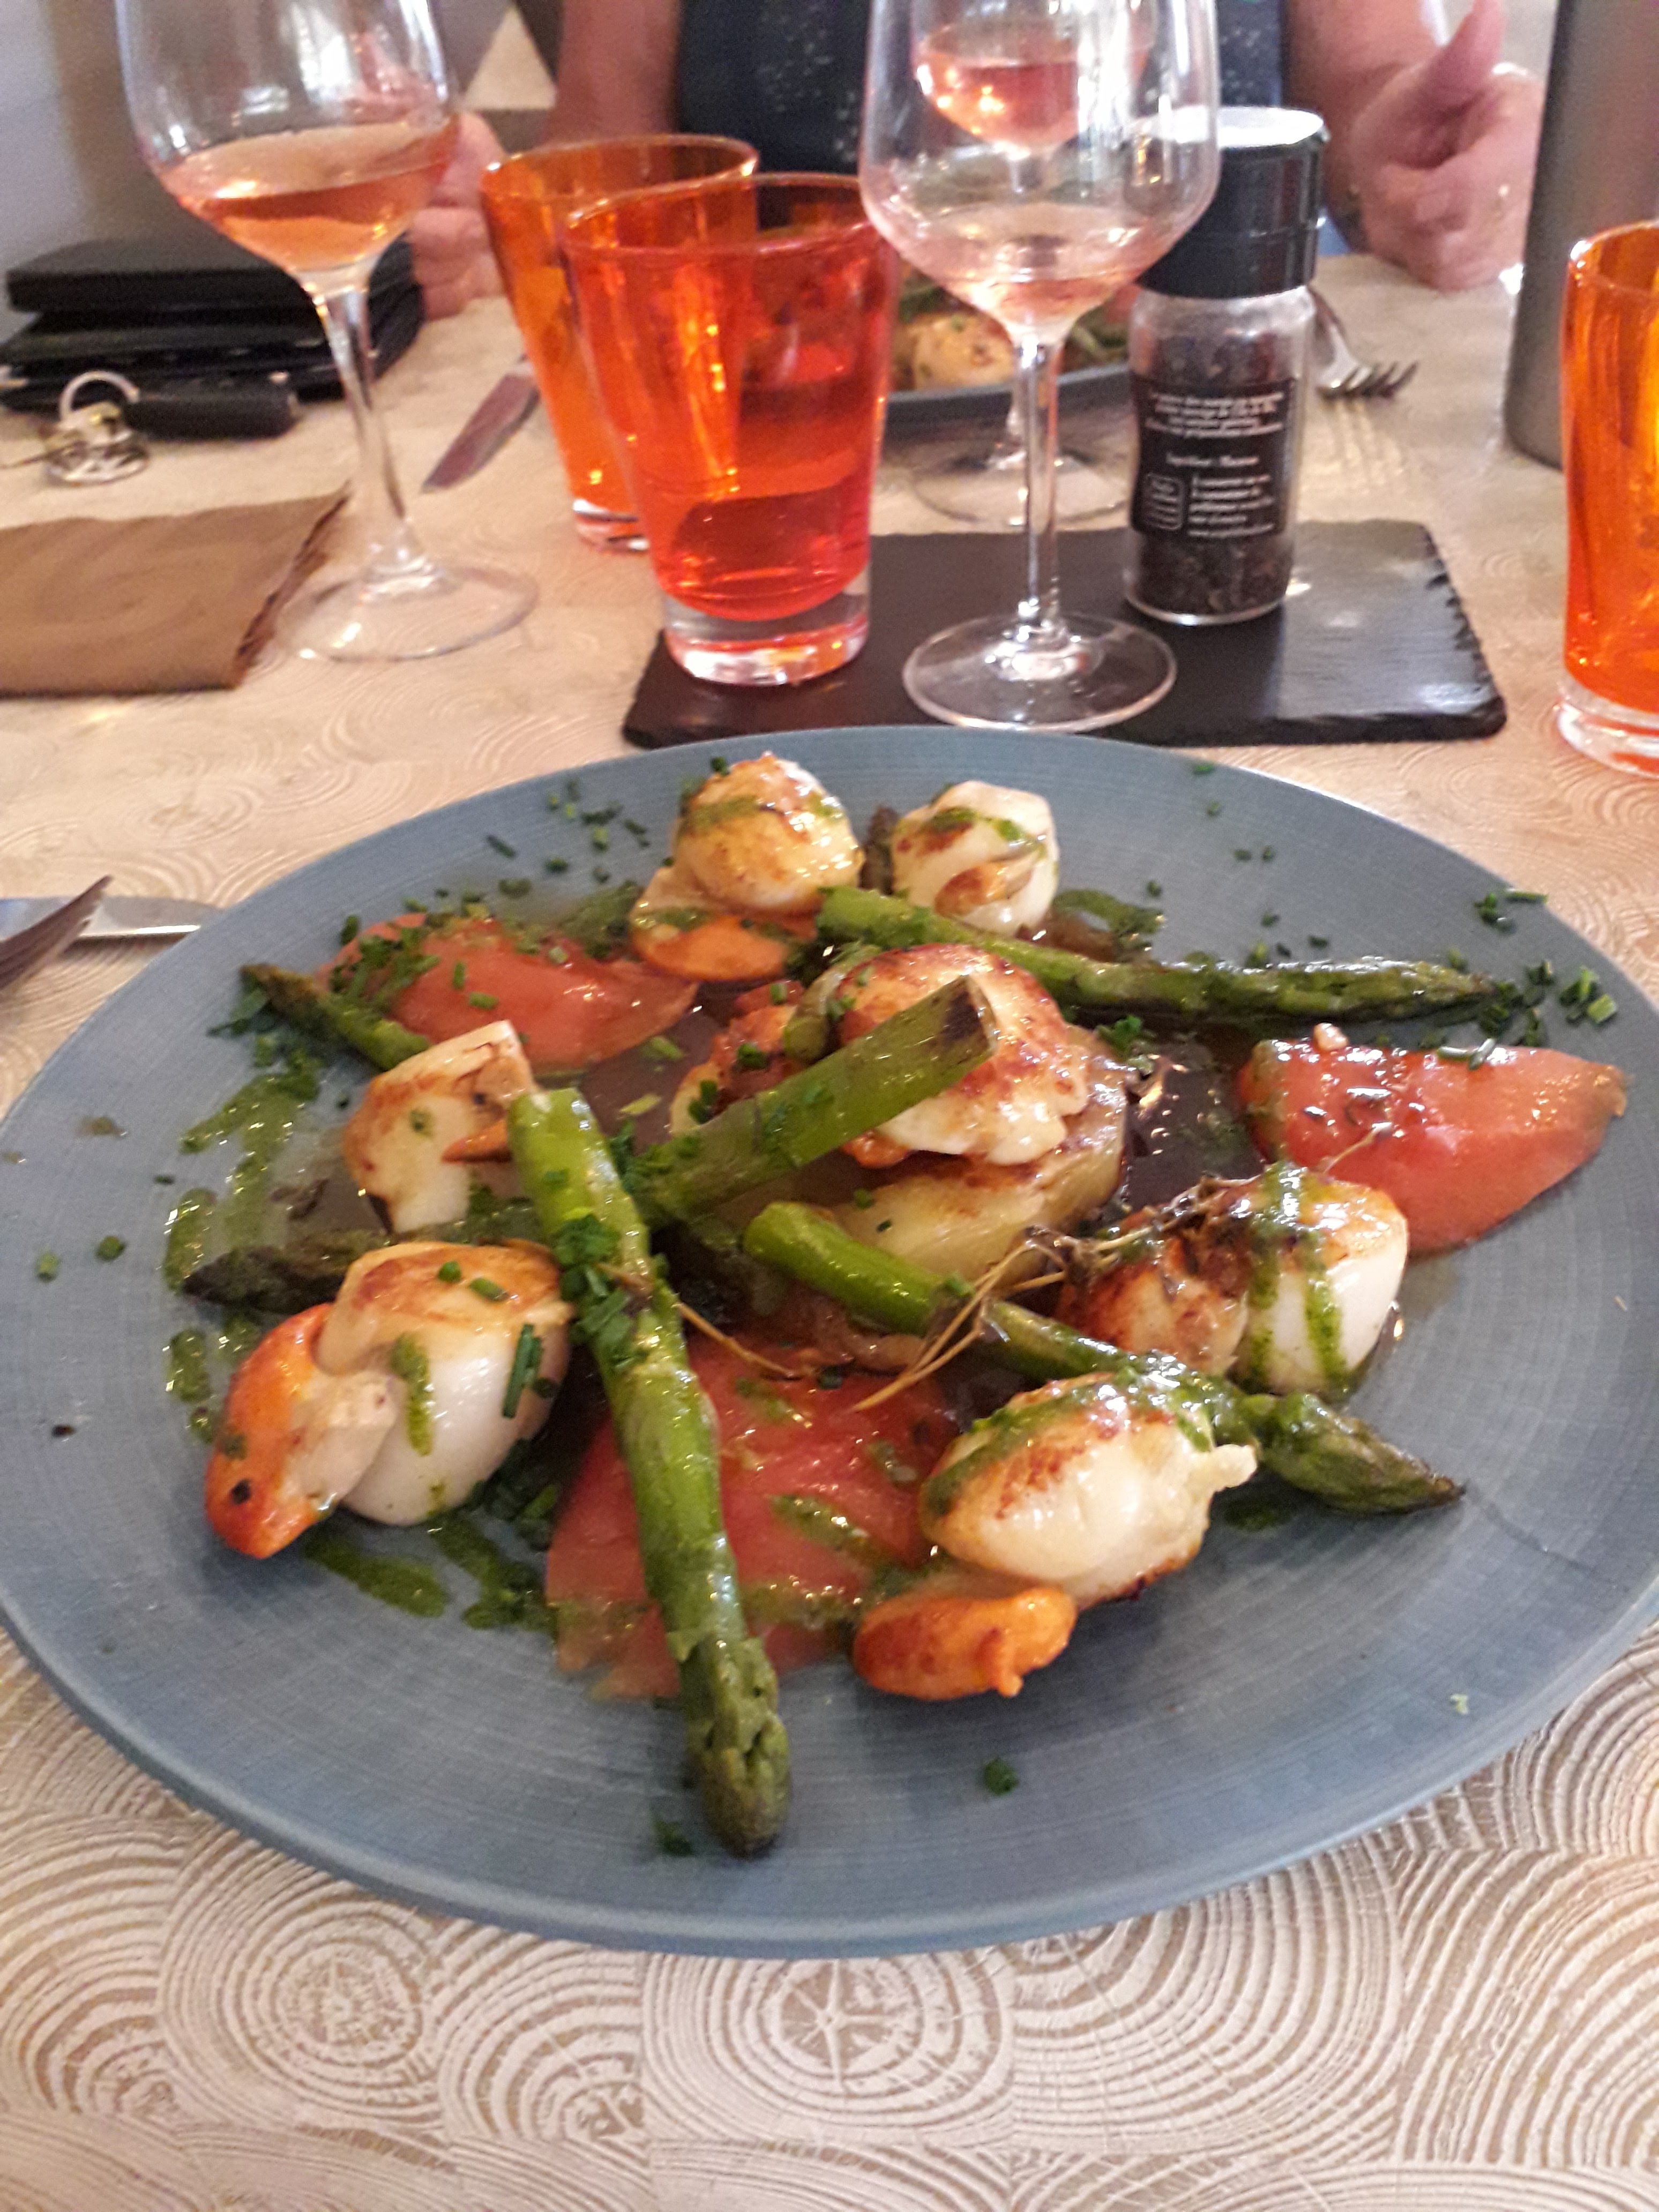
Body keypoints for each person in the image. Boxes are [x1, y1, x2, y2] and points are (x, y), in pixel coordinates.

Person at [414, 0, 1543, 315]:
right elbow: (609, 160)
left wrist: (1415, 151)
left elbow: (1371, 79)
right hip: (795, 416)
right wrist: (499, 219)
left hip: (1216, 398)